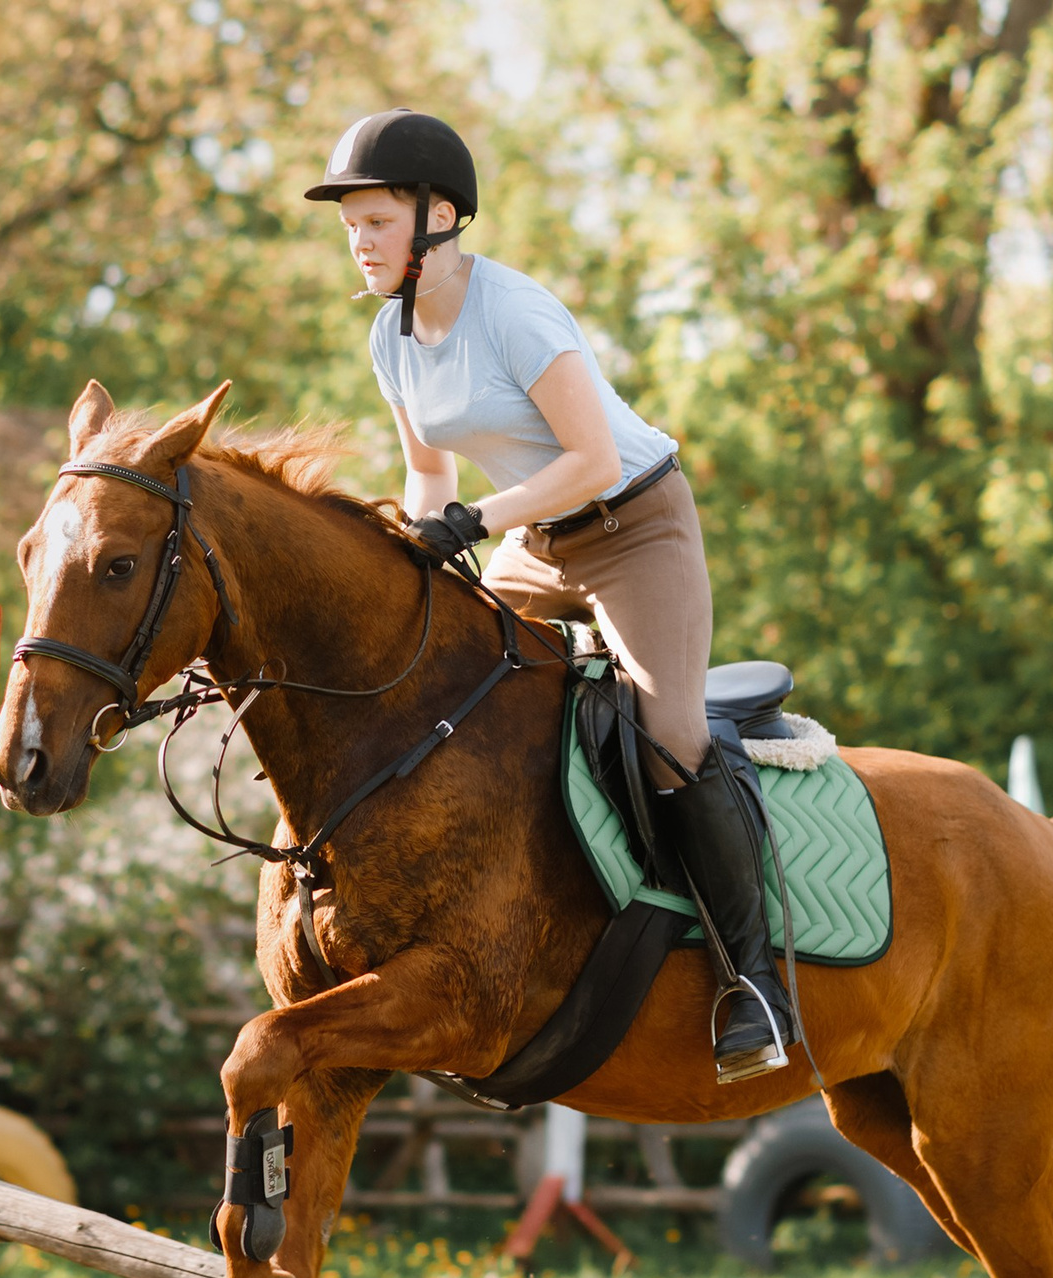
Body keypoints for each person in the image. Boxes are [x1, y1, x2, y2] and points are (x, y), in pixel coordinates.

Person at [306, 108, 795, 1083]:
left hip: (632, 530)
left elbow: (594, 458)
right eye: (349, 223)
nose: (355, 240)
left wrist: (475, 526)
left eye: (374, 220)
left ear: (438, 214)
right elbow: (429, 479)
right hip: (531, 540)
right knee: (456, 709)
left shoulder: (512, 311)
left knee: (670, 742)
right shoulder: (390, 334)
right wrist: (422, 558)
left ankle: (755, 984)